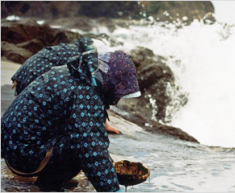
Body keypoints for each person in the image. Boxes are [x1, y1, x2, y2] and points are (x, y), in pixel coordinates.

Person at [1, 48, 141, 192]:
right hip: (22, 156)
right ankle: (47, 185)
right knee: (80, 147)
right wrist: (112, 189)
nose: (117, 98)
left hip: (12, 146)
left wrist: (107, 166)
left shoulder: (73, 72)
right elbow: (92, 149)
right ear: (109, 80)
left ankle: (52, 177)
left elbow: (91, 131)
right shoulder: (84, 94)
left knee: (83, 138)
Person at [10, 36, 121, 134]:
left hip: (25, 72)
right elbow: (94, 92)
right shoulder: (88, 61)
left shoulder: (75, 50)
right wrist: (102, 125)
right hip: (37, 74)